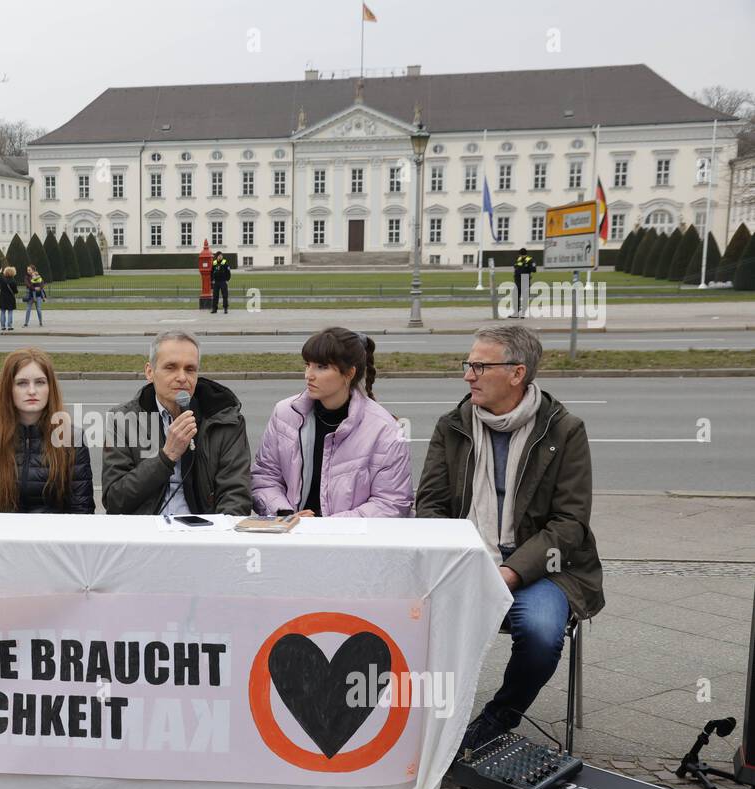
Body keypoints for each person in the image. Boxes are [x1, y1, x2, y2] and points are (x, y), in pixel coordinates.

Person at [415, 324, 603, 753]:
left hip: (544, 571)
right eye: (468, 364)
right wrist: (459, 563)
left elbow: (570, 523)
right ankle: (429, 723)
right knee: (409, 621)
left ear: (517, 374)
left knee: (539, 631)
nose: (468, 375)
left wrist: (511, 572)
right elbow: (430, 507)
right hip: (465, 561)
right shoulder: (454, 426)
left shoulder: (564, 431)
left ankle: (499, 717)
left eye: (480, 366)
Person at [251, 328, 412, 518]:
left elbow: (391, 503)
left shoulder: (384, 429)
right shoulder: (285, 413)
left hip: (352, 543)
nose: (308, 375)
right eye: (307, 365)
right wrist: (285, 514)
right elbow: (264, 478)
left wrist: (326, 526)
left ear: (349, 373)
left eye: (321, 367)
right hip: (292, 535)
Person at [102, 330, 252, 516]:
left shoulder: (225, 420)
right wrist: (166, 457)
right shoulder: (122, 420)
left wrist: (216, 536)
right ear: (150, 372)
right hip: (145, 532)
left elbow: (236, 495)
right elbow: (115, 501)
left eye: (190, 369)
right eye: (171, 367)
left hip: (204, 532)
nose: (182, 377)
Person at [0, 348, 93, 513]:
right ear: (8, 388)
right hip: (1, 536)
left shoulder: (72, 437)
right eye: (22, 383)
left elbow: (82, 510)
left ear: (50, 387)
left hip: (54, 536)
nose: (32, 391)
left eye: (40, 382)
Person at [513, 247, 538, 318]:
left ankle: (523, 313)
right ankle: (516, 312)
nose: (520, 256)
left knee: (525, 297)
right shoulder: (519, 259)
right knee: (516, 296)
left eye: (521, 255)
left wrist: (526, 267)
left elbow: (534, 270)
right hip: (517, 279)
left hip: (525, 279)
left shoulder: (530, 260)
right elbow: (515, 266)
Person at [0, 265, 19, 331]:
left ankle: (2, 326)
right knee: (10, 312)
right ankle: (10, 326)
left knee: (2, 312)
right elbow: (15, 291)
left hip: (2, 298)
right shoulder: (13, 281)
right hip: (10, 298)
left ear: (5, 272)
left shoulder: (2, 279)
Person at [210, 250, 231, 314]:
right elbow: (211, 272)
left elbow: (228, 272)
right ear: (217, 257)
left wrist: (227, 280)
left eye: (221, 256)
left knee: (225, 295)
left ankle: (225, 308)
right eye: (219, 256)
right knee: (215, 296)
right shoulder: (214, 263)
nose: (220, 257)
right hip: (216, 282)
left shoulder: (225, 263)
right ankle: (214, 309)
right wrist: (212, 280)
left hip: (223, 281)